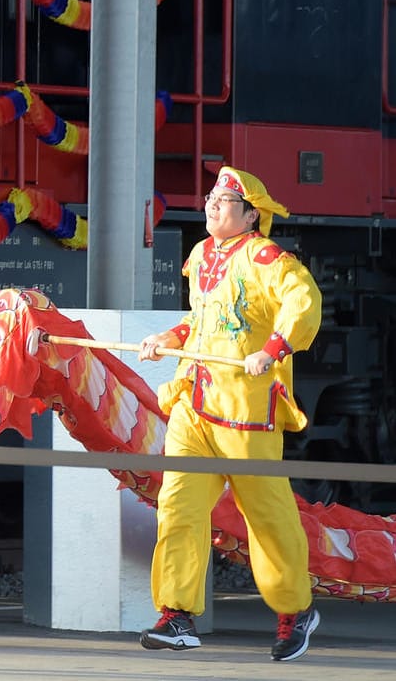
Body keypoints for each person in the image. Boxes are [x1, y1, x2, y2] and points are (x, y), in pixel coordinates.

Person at [135, 166, 322, 662]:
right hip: (195, 404)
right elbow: (202, 321)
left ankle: (294, 610)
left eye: (223, 201)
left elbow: (303, 302)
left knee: (265, 515)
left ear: (250, 214)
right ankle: (176, 614)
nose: (211, 207)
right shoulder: (200, 256)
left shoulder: (267, 258)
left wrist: (274, 348)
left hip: (245, 410)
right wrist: (167, 340)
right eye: (211, 199)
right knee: (177, 506)